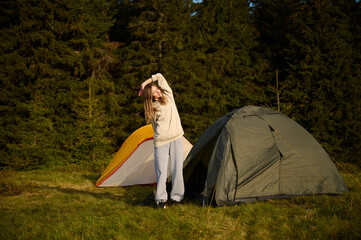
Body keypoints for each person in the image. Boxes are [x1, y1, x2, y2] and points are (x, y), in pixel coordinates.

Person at [138, 73, 185, 209]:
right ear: (151, 96)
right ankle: (160, 200)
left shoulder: (168, 95)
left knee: (177, 169)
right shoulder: (153, 107)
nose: (157, 91)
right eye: (153, 92)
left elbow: (159, 76)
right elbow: (154, 127)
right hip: (161, 142)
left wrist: (145, 83)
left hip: (176, 138)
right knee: (161, 172)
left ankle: (177, 198)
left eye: (156, 88)